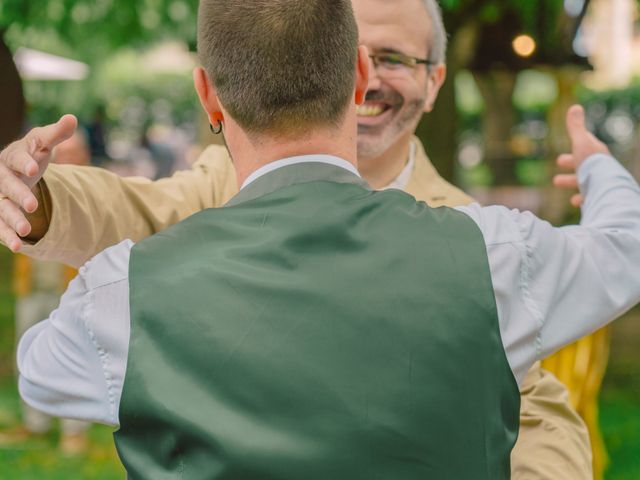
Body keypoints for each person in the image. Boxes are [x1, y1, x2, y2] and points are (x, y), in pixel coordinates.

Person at [11, 0, 640, 478]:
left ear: (435, 80)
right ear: (353, 71)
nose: (378, 75)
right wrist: (37, 201)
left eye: (399, 57)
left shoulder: (483, 244)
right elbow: (138, 208)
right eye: (367, 52)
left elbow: (541, 417)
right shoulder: (497, 251)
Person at [0, 132, 91, 455]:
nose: (65, 158)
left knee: (74, 356)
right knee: (29, 355)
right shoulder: (33, 185)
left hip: (73, 290)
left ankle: (73, 431)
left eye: (73, 153)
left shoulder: (94, 188)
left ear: (84, 155)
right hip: (32, 289)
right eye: (62, 153)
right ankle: (34, 424)